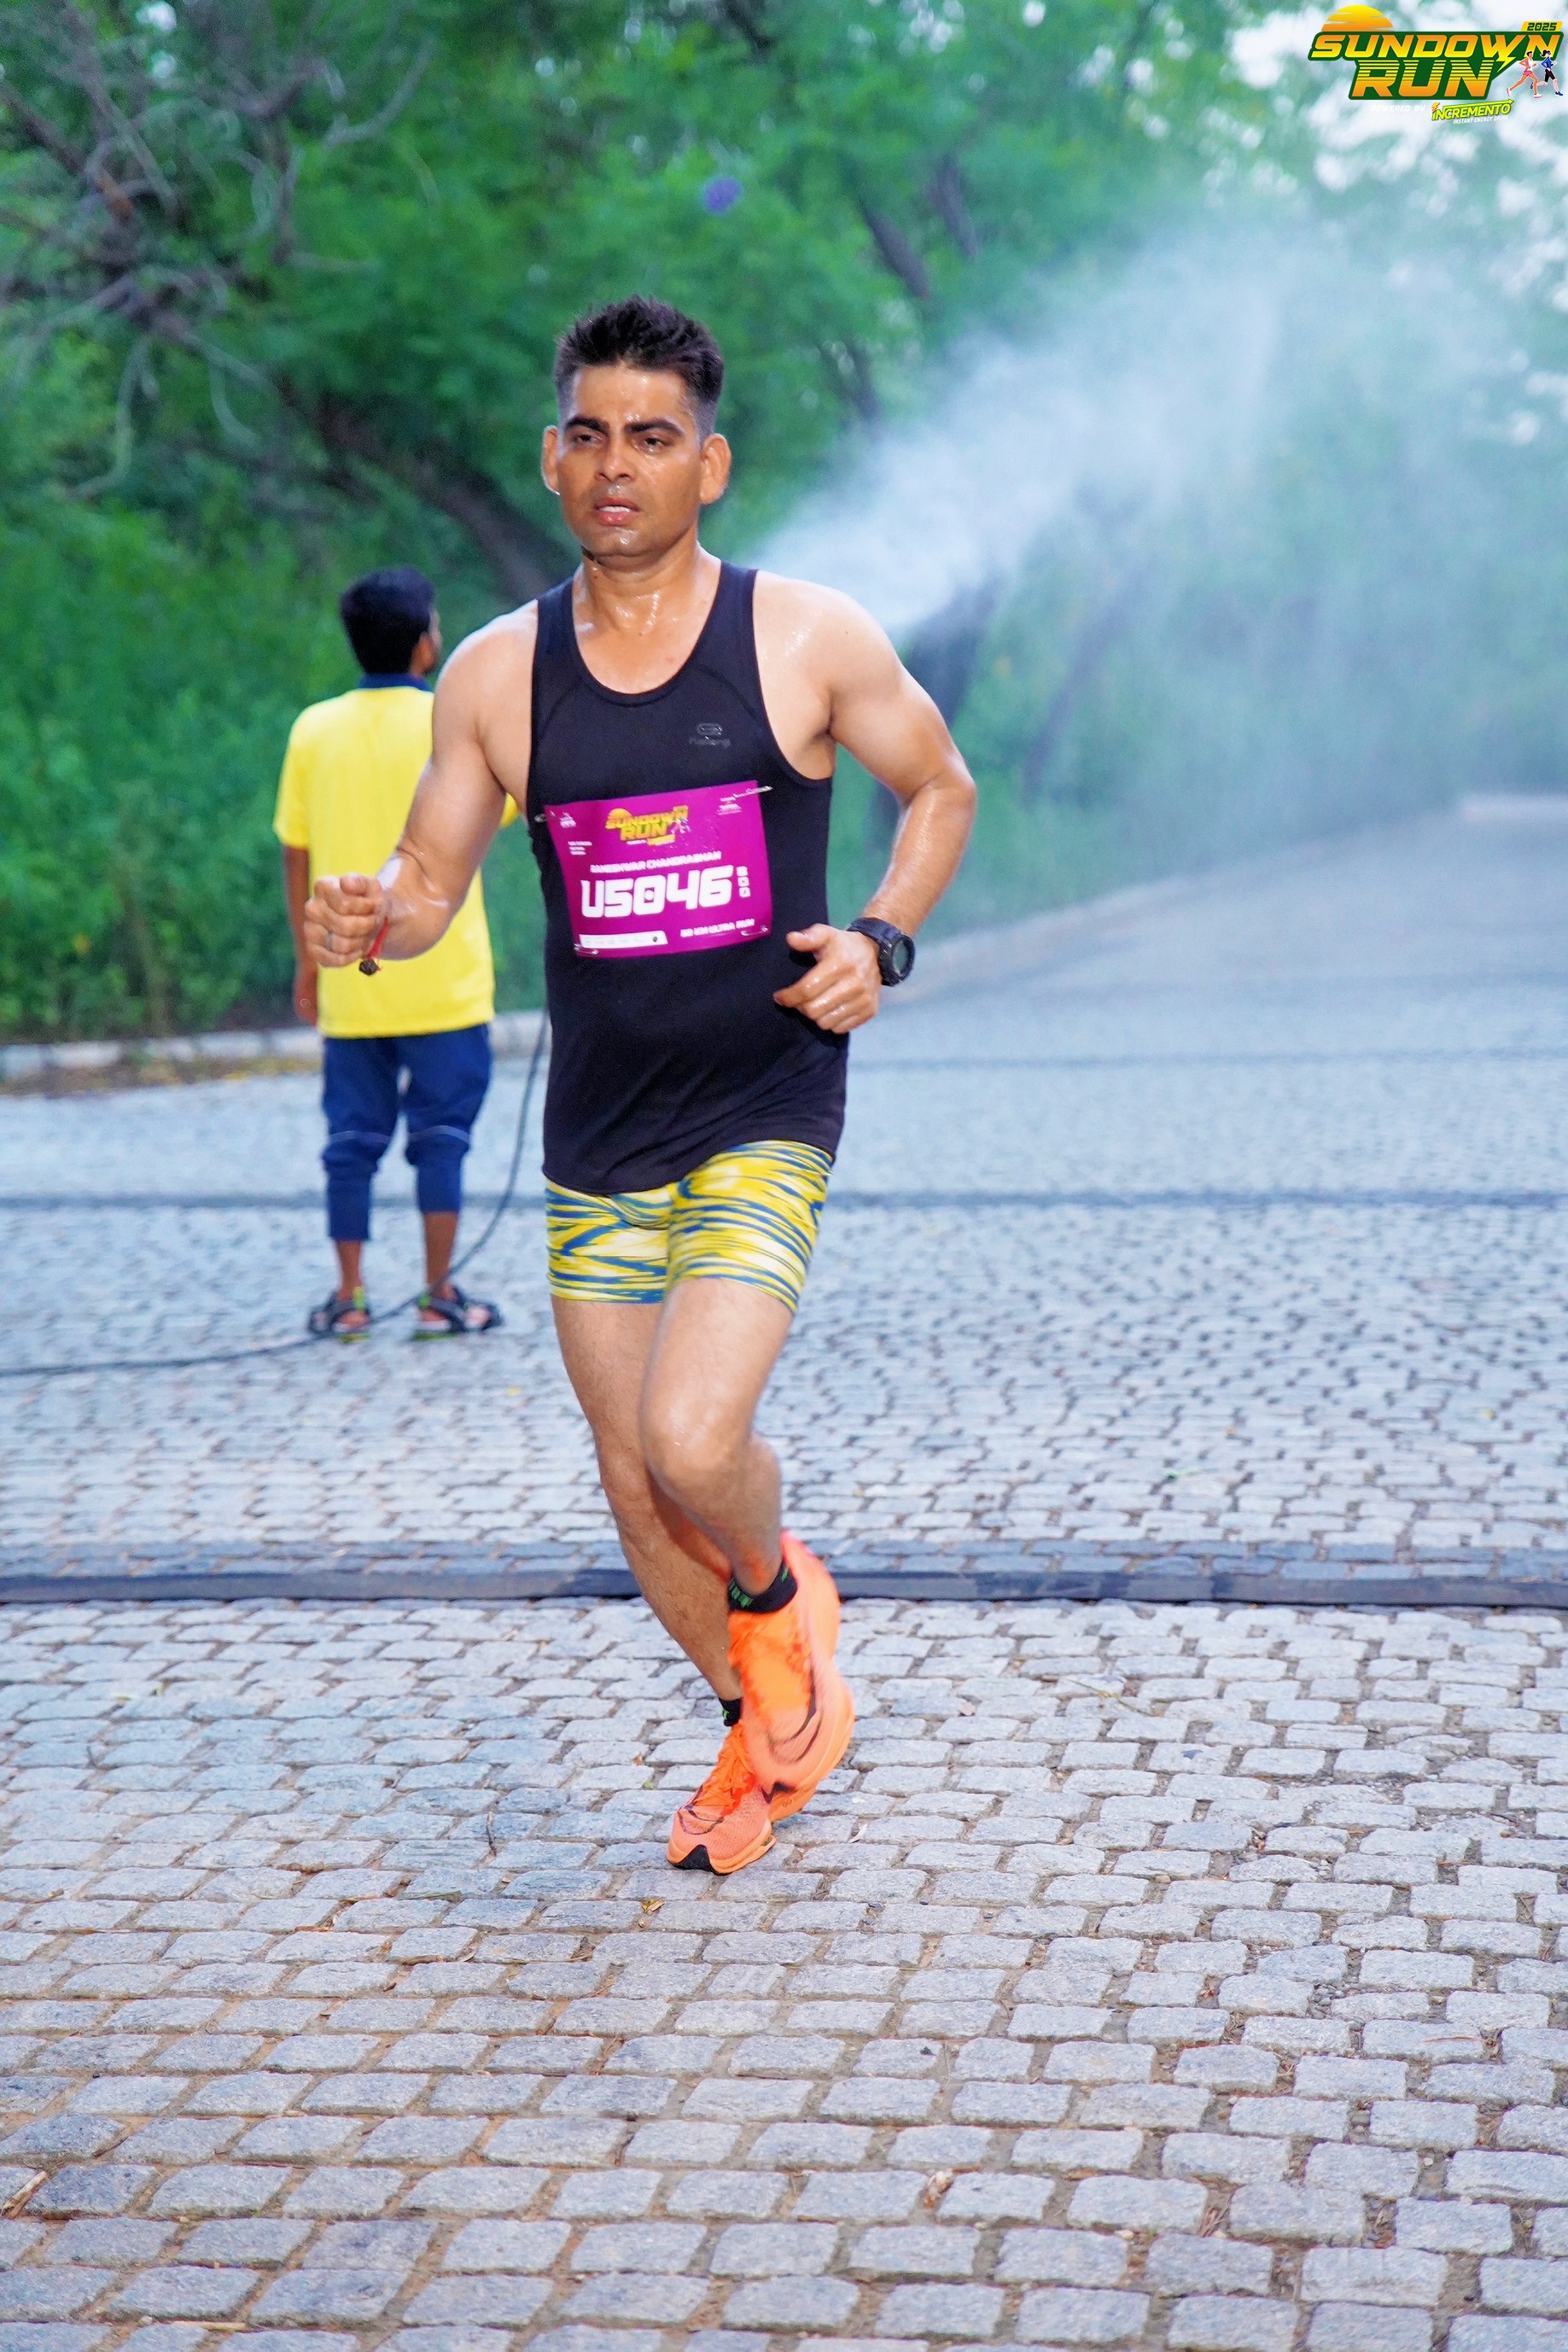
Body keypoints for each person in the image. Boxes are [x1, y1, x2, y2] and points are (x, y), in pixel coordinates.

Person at [302, 298, 976, 1870]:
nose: (619, 466)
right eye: (592, 435)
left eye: (654, 438)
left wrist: (881, 938)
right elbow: (426, 883)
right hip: (599, 1135)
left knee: (688, 1440)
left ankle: (777, 1598)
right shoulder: (494, 674)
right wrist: (369, 916)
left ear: (708, 465)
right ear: (552, 458)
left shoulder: (803, 637)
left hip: (764, 1104)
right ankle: (759, 1724)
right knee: (631, 1484)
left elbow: (938, 787)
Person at [276, 566, 506, 1341]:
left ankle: (349, 1296)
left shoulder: (313, 730)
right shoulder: (452, 720)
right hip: (447, 980)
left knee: (350, 1143)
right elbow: (504, 809)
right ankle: (439, 1294)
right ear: (424, 646)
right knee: (442, 1140)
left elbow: (297, 855)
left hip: (350, 978)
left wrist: (309, 960)